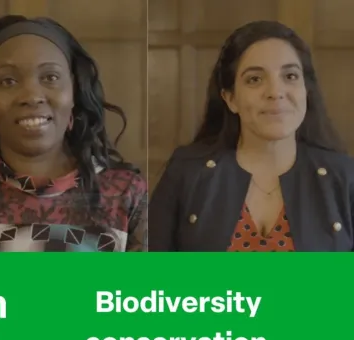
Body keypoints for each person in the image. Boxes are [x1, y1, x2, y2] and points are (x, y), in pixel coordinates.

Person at [0, 15, 147, 252]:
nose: (32, 96)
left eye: (50, 77)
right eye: (8, 81)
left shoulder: (125, 194)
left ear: (75, 90)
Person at [149, 20, 354, 252]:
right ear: (230, 98)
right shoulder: (186, 172)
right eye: (255, 79)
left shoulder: (345, 177)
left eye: (290, 76)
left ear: (306, 90)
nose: (275, 92)